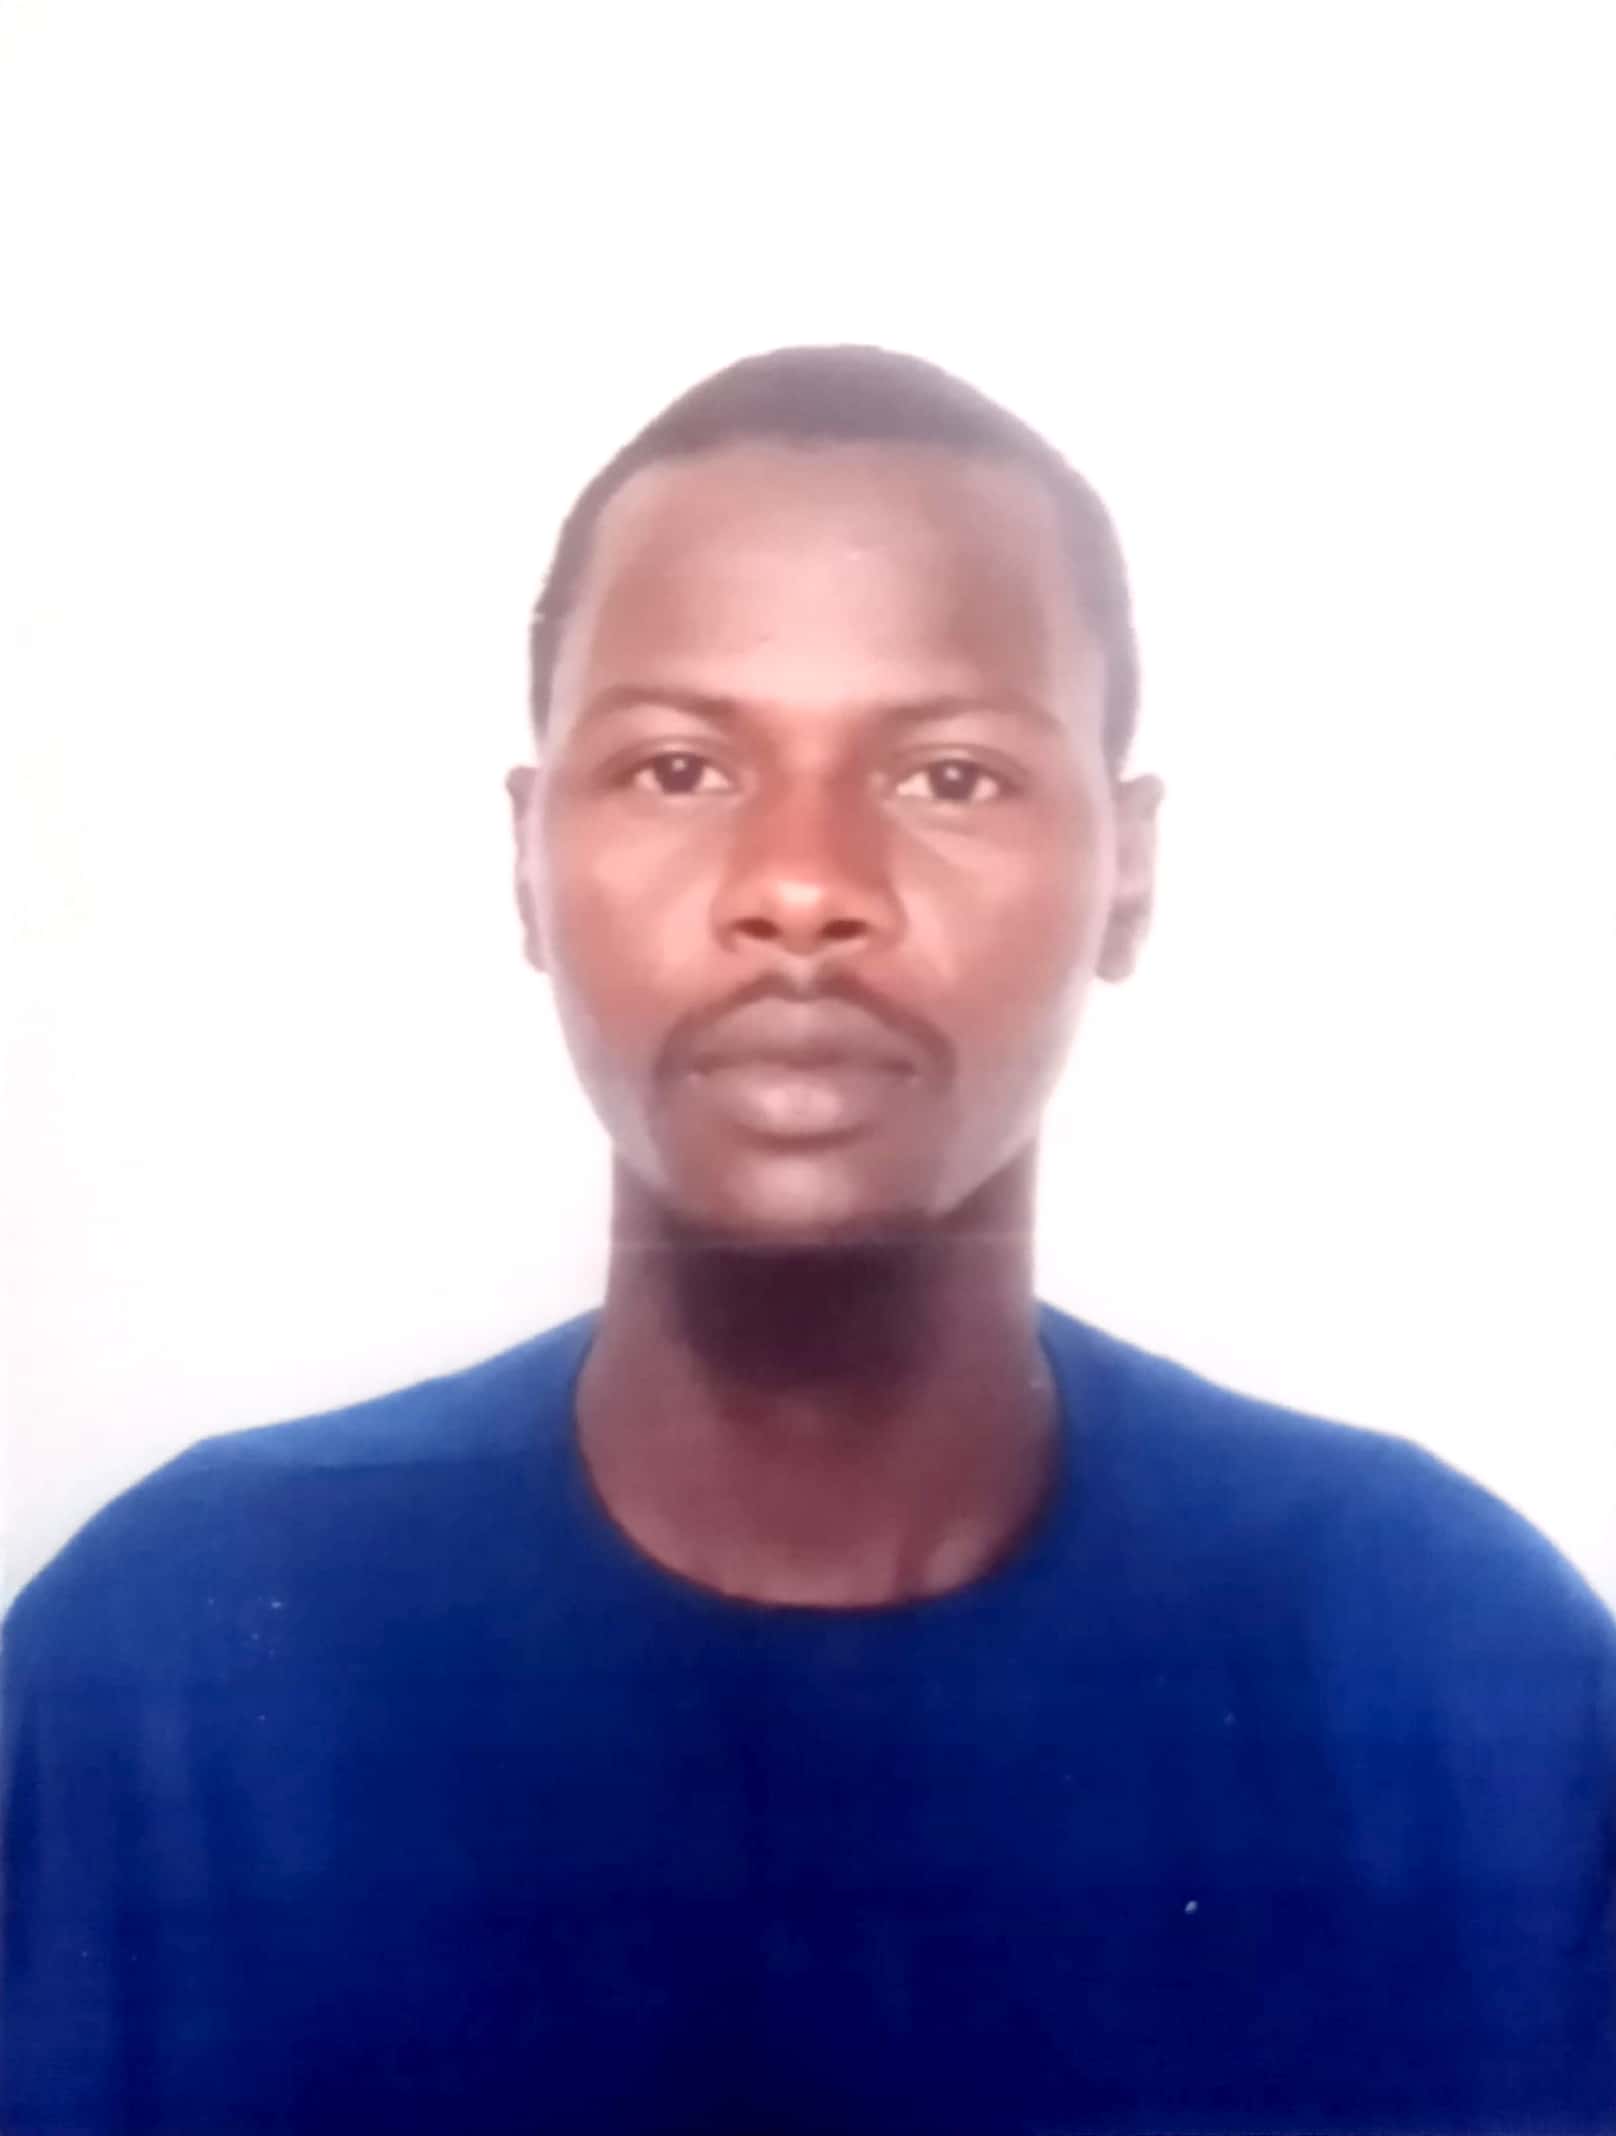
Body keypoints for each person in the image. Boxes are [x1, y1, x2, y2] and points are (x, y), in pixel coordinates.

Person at [3, 345, 1612, 2136]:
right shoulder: (172, 1675)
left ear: (1128, 871)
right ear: (528, 861)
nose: (801, 884)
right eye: (680, 766)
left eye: (951, 777)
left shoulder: (1445, 1676)